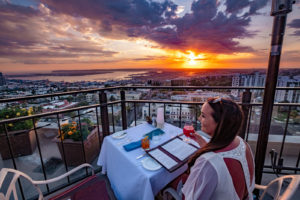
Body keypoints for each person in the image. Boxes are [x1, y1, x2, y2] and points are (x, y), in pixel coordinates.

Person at [181, 97, 255, 200]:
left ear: (220, 123)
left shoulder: (208, 162)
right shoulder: (242, 143)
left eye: (203, 116)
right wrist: (202, 143)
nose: (199, 119)